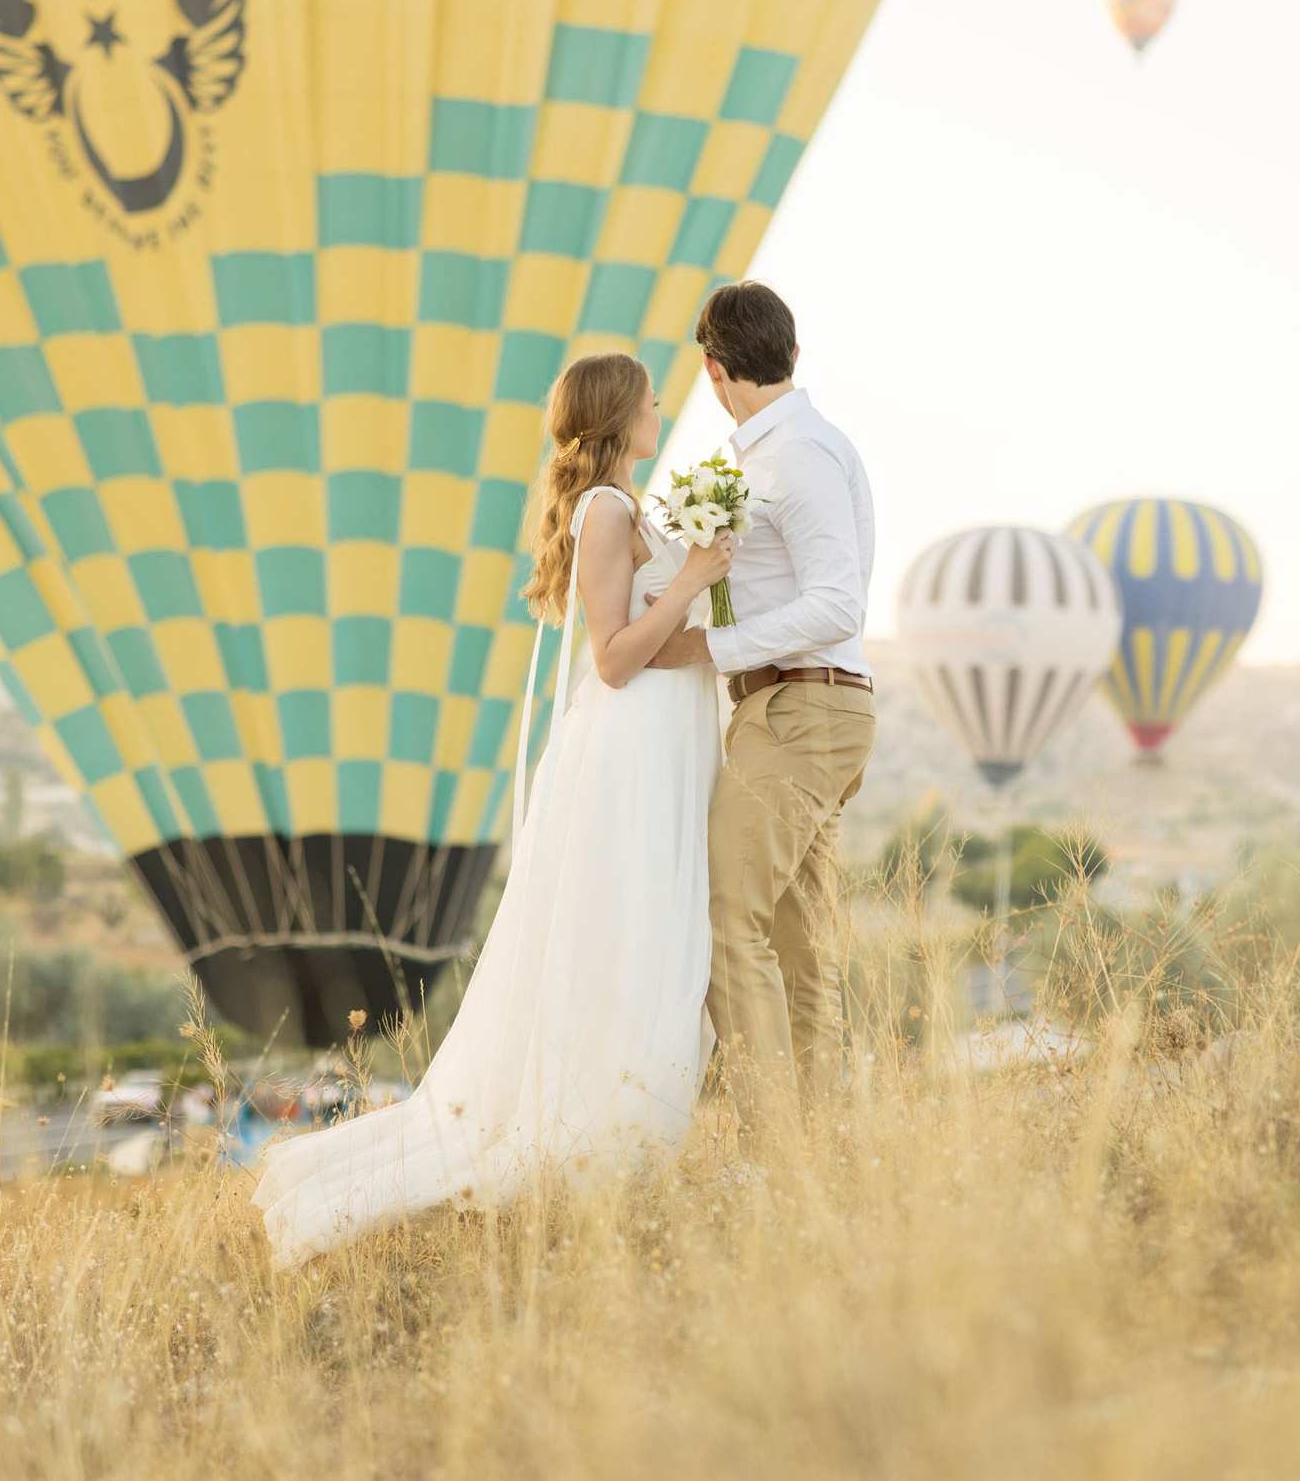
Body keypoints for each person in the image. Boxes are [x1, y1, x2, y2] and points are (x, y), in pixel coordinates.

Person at [252, 351, 733, 1269]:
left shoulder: (629, 507)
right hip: (629, 759)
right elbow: (615, 656)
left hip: (659, 753)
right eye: (648, 397)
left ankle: (620, 1129)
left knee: (646, 939)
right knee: (623, 941)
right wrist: (697, 572)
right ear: (615, 411)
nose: (662, 406)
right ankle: (596, 1131)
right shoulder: (604, 510)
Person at [648, 281, 877, 1136]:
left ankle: (773, 1141)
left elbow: (838, 605)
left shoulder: (796, 458)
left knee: (725, 916)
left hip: (798, 709)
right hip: (804, 710)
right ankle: (815, 1144)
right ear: (789, 351)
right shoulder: (781, 454)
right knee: (797, 941)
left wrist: (710, 649)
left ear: (712, 369)